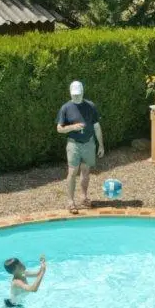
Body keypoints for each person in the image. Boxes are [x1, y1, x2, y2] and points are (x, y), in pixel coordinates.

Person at [56, 80, 104, 213]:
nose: (76, 96)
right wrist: (72, 127)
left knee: (85, 171)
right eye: (74, 94)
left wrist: (101, 145)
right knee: (72, 172)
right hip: (73, 144)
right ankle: (70, 202)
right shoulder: (65, 108)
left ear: (82, 92)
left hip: (89, 143)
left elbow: (96, 126)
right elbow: (59, 129)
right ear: (70, 93)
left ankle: (84, 197)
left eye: (78, 94)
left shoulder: (90, 106)